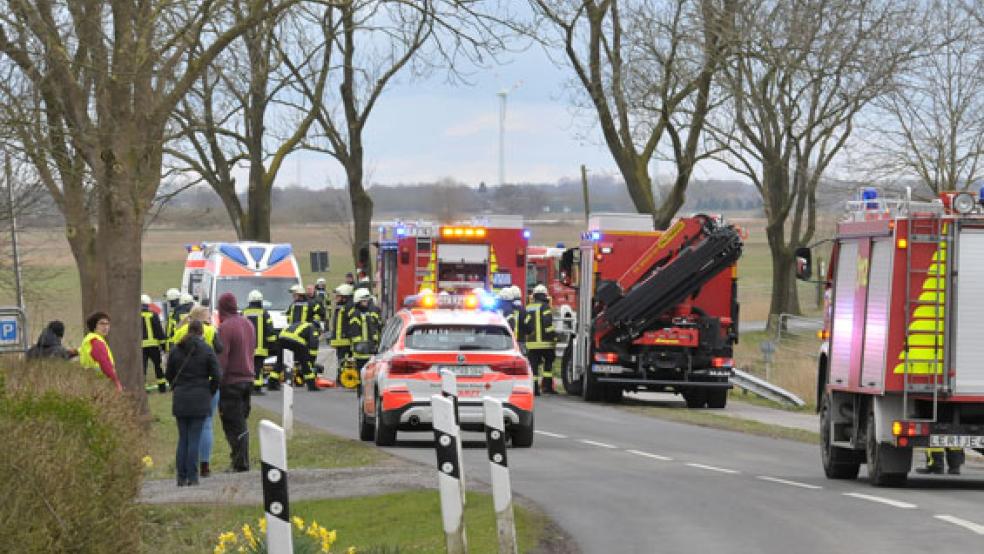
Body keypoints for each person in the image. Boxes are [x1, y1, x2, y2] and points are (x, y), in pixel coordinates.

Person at [165, 320, 221, 486]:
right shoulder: (207, 350)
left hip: (181, 396)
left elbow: (168, 374)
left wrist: (177, 386)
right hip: (200, 396)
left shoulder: (176, 350)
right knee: (194, 438)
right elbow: (217, 375)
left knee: (183, 438)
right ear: (202, 333)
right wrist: (209, 390)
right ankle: (193, 476)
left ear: (187, 331)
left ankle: (181, 477)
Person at [216, 293, 256, 472]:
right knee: (242, 421)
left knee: (232, 423)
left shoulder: (225, 327)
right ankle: (243, 459)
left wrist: (216, 379)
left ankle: (240, 462)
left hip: (231, 381)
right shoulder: (247, 323)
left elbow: (222, 357)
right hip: (248, 378)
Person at [524, 284, 557, 395]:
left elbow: (527, 324)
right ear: (544, 294)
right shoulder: (545, 306)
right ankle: (547, 387)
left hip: (532, 343)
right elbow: (548, 323)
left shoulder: (528, 307)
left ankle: (535, 389)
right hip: (545, 343)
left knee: (533, 367)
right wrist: (553, 336)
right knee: (548, 365)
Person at [242, 289, 276, 394]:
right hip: (261, 348)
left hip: (247, 348)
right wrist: (272, 344)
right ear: (260, 301)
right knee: (258, 368)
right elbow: (270, 329)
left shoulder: (244, 312)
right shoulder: (264, 313)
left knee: (248, 367)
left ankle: (249, 387)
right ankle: (257, 388)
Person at [79, 312, 122, 391]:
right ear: (94, 326)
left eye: (107, 324)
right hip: (99, 382)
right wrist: (116, 382)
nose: (105, 327)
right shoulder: (96, 341)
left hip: (91, 380)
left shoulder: (90, 339)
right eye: (102, 324)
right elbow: (104, 363)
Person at [277, 320, 321, 391]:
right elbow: (313, 344)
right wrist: (312, 359)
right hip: (295, 340)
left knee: (279, 361)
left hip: (281, 338)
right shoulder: (313, 328)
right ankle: (312, 386)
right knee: (305, 363)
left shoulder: (302, 324)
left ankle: (272, 384)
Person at [348, 289, 381, 372]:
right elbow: (355, 333)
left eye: (367, 301)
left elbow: (372, 330)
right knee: (361, 373)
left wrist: (374, 343)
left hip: (369, 350)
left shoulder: (367, 313)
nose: (366, 303)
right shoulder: (356, 314)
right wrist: (361, 347)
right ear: (358, 302)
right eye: (364, 301)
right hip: (360, 353)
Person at [141, 294, 168, 393]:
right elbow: (159, 331)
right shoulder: (153, 314)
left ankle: (142, 389)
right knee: (158, 366)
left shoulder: (134, 315)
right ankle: (162, 388)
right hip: (153, 346)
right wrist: (164, 345)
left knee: (142, 368)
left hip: (140, 347)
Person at [328, 284, 354, 369]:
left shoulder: (349, 308)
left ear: (345, 297)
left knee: (347, 364)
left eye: (338, 295)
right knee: (340, 364)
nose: (336, 297)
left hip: (346, 343)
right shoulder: (340, 307)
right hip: (340, 343)